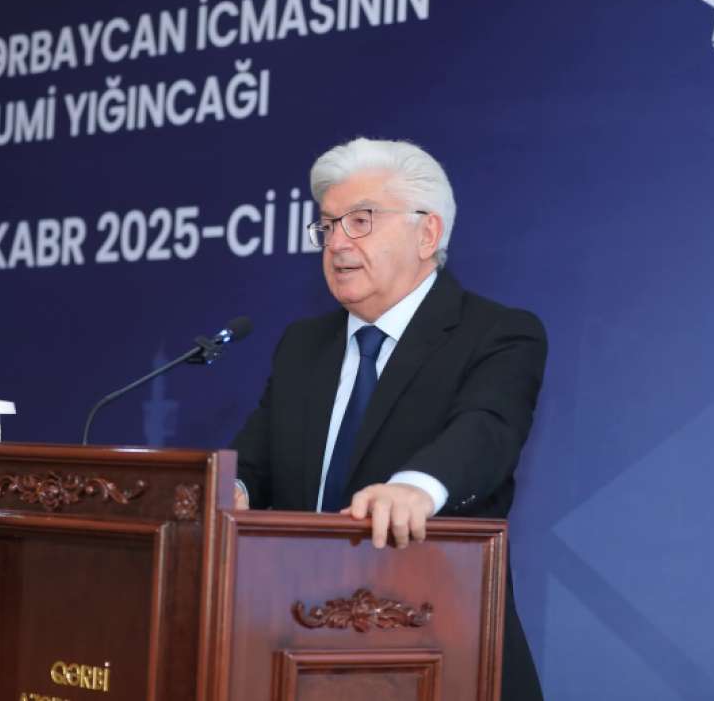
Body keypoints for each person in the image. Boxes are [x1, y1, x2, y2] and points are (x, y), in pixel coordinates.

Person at [231, 137, 547, 700]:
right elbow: (255, 464)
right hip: (298, 647)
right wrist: (231, 491)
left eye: (361, 221)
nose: (337, 243)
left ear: (427, 233)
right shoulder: (303, 345)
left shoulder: (497, 334)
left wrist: (417, 489)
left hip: (440, 649)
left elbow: (487, 428)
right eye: (328, 226)